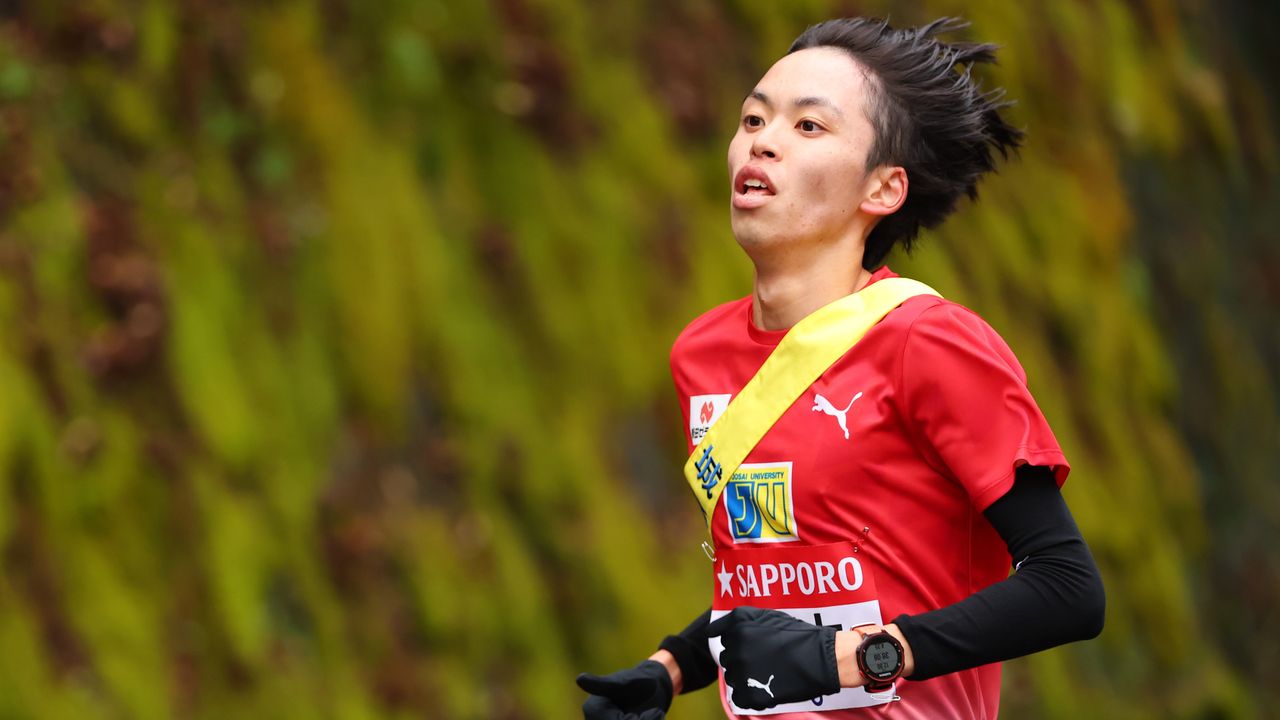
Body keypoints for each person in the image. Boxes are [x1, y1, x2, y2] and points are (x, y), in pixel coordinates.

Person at [577, 16, 1105, 720]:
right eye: (754, 117)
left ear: (883, 190)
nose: (761, 140)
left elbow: (1068, 587)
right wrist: (672, 667)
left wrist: (860, 657)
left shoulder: (930, 343)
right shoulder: (700, 356)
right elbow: (776, 583)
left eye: (808, 128)